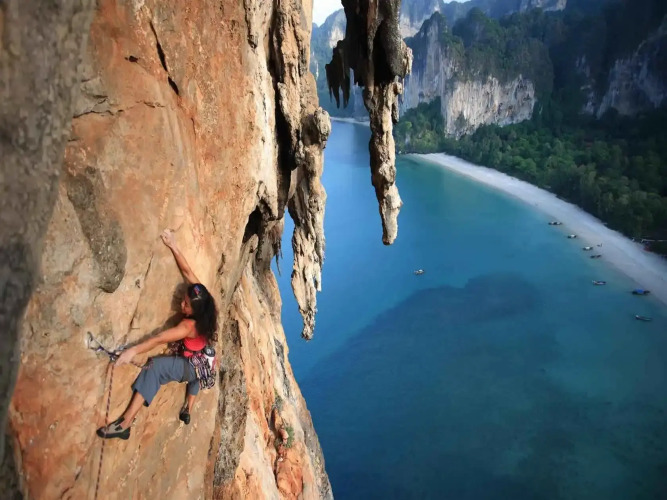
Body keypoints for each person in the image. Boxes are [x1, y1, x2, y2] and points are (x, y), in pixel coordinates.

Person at [97, 229, 218, 440]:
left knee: (155, 367)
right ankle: (188, 404)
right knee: (193, 375)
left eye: (186, 305)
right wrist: (173, 245)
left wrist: (131, 352)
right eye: (184, 300)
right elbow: (188, 272)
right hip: (203, 360)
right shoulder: (205, 301)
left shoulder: (188, 326)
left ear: (194, 312)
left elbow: (159, 339)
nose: (181, 304)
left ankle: (125, 424)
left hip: (191, 367)